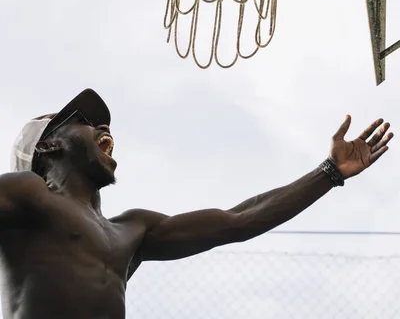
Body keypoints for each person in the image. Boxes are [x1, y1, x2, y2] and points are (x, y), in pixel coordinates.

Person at [3, 89, 393, 319]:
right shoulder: (27, 196)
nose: (103, 128)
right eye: (81, 121)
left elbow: (238, 220)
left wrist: (329, 171)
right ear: (50, 146)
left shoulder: (132, 230)